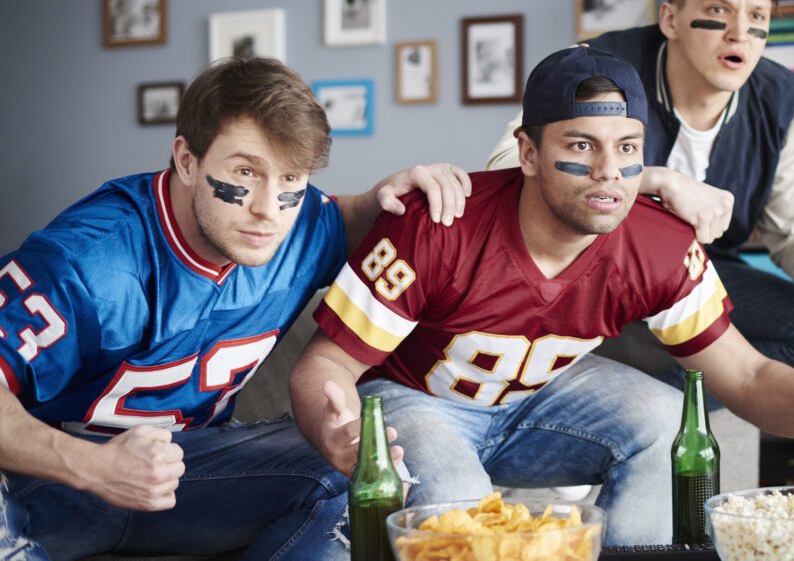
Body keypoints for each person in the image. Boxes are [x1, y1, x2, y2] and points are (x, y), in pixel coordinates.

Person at [290, 47, 794, 545]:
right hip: (419, 400)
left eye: (628, 147)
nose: (610, 172)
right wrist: (340, 433)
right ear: (526, 152)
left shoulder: (658, 244)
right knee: (464, 514)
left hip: (544, 398)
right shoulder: (440, 222)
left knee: (669, 422)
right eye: (580, 145)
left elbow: (747, 375)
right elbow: (325, 366)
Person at [0, 57, 471, 560]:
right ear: (186, 159)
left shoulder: (299, 223)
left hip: (192, 474)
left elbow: (350, 216)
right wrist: (89, 466)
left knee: (369, 474)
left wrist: (401, 194)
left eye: (290, 178)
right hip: (51, 485)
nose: (268, 209)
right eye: (245, 172)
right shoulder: (91, 261)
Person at [488, 0, 794, 386]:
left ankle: (648, 393)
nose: (740, 33)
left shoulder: (786, 97)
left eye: (757, 15)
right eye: (718, 11)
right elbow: (505, 169)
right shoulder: (595, 66)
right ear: (670, 20)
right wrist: (654, 180)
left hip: (706, 272)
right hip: (593, 265)